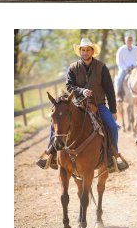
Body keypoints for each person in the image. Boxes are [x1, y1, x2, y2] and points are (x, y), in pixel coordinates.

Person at [36, 38, 129, 173]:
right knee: (56, 123)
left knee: (113, 127)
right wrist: (82, 91)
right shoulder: (73, 68)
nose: (85, 53)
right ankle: (51, 153)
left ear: (92, 51)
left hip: (99, 105)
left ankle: (112, 157)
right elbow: (69, 86)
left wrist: (113, 111)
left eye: (87, 50)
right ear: (80, 51)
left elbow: (109, 90)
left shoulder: (102, 68)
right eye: (83, 50)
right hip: (76, 103)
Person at [115, 35, 137, 101]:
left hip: (134, 68)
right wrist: (125, 68)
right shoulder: (121, 49)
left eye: (130, 40)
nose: (129, 41)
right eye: (127, 40)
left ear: (132, 41)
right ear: (125, 41)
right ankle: (119, 95)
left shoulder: (136, 49)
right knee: (119, 78)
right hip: (124, 68)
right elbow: (118, 61)